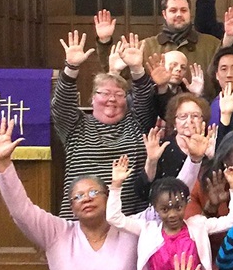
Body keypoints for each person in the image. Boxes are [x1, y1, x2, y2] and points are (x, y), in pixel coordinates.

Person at [0, 117, 140, 270]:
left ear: (108, 198)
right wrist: (3, 163)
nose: (86, 200)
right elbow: (21, 210)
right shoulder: (58, 233)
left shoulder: (131, 230)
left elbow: (171, 206)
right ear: (72, 208)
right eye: (78, 197)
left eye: (93, 193)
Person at [107, 158, 233, 270]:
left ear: (186, 203)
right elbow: (114, 218)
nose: (172, 214)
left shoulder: (198, 225)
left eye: (178, 207)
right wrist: (116, 185)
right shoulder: (147, 229)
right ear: (155, 208)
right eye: (165, 209)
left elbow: (232, 220)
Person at [53, 31, 158, 216]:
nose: (112, 99)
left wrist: (137, 69)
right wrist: (71, 67)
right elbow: (61, 103)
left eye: (119, 95)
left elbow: (145, 98)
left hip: (127, 221)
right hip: (80, 222)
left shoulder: (136, 124)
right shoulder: (75, 126)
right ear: (92, 99)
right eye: (104, 93)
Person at [94, 0, 221, 78]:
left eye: (183, 10)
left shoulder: (211, 44)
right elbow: (118, 73)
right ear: (164, 14)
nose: (178, 14)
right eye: (173, 10)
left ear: (189, 13)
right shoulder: (145, 47)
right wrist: (104, 41)